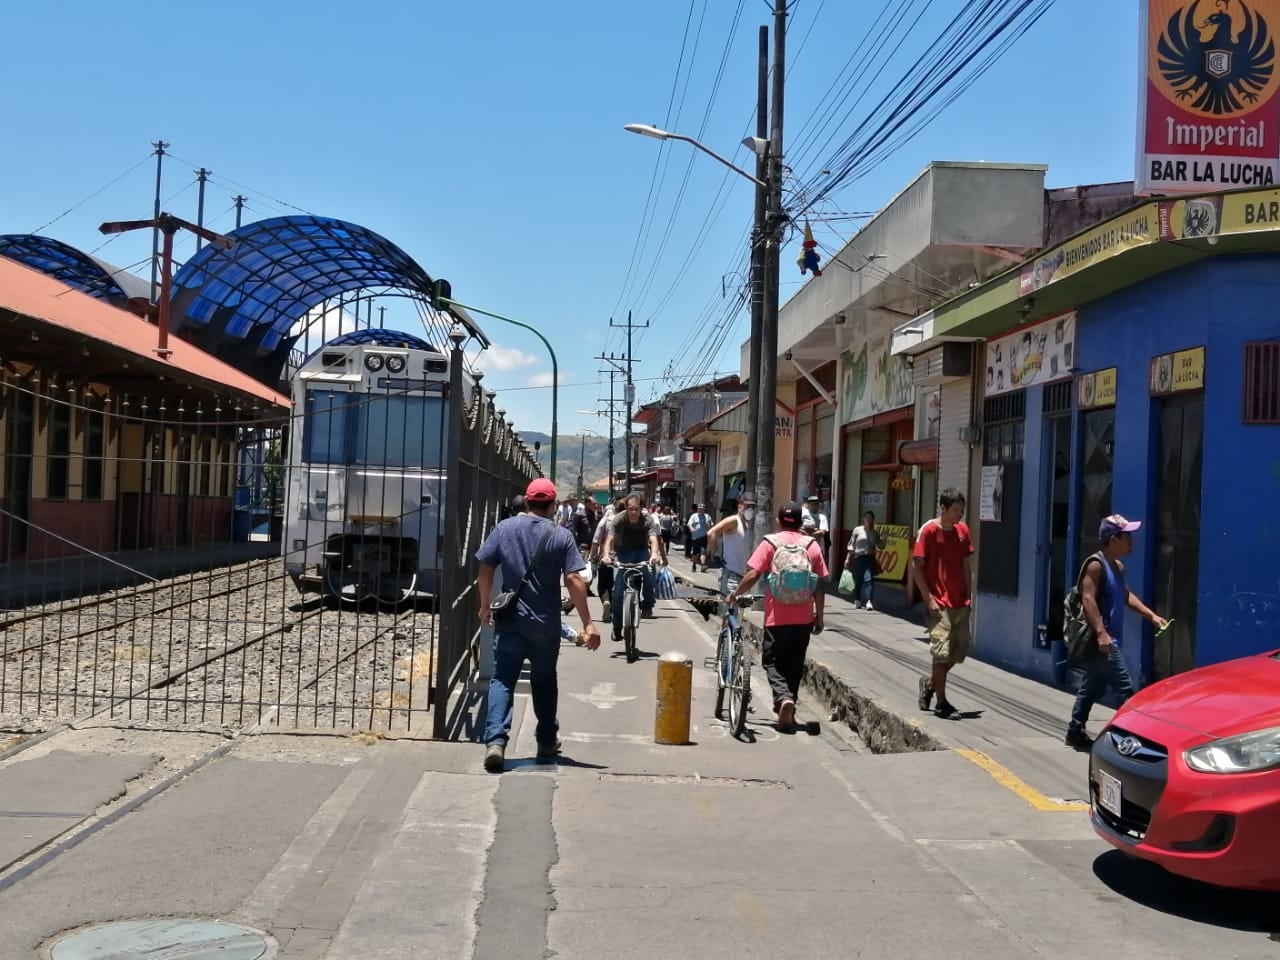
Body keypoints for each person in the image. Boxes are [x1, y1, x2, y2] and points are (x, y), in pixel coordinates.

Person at [475, 478, 600, 773]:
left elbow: (485, 569)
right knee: (544, 681)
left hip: (511, 621)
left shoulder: (505, 528)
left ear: (528, 502)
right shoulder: (561, 535)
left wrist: (483, 606)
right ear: (553, 505)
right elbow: (574, 579)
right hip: (546, 624)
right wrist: (588, 623)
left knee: (503, 680)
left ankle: (495, 742)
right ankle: (545, 741)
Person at [1066, 515, 1167, 750]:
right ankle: (1130, 740)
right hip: (1104, 640)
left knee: (1093, 686)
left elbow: (1125, 596)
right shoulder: (1096, 565)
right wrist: (1101, 633)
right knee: (1126, 690)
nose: (1131, 541)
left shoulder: (1117, 567)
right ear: (1113, 540)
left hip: (1109, 639)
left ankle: (1075, 731)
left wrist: (1151, 615)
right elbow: (1088, 598)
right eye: (1126, 536)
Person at [729, 502, 827, 729]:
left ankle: (783, 698)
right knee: (795, 663)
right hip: (804, 617)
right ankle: (788, 709)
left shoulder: (771, 542)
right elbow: (819, 585)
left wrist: (736, 593)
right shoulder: (811, 545)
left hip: (777, 616)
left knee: (773, 662)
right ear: (802, 522)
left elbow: (753, 573)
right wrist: (819, 616)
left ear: (778, 520)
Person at [910, 489, 974, 719]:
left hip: (960, 602)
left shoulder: (962, 531)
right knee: (941, 653)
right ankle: (942, 702)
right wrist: (928, 598)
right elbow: (916, 568)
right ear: (943, 508)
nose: (960, 514)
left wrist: (969, 596)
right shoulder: (928, 531)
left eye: (962, 510)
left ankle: (928, 685)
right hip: (938, 603)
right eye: (956, 510)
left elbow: (966, 566)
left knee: (959, 652)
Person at [603, 494, 663, 642]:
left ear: (641, 508)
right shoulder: (619, 519)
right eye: (630, 509)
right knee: (617, 592)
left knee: (649, 573)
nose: (633, 512)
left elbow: (653, 539)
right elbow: (609, 539)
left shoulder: (647, 519)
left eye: (636, 509)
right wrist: (606, 555)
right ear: (626, 508)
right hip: (622, 553)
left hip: (642, 552)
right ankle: (617, 626)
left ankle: (647, 605)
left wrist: (654, 554)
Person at [706, 494, 755, 597]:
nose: (750, 510)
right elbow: (711, 533)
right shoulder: (733, 521)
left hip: (742, 575)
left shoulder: (747, 525)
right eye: (747, 506)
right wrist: (714, 553)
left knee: (737, 611)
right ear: (739, 506)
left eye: (752, 507)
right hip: (731, 574)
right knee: (730, 611)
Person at [843, 511, 880, 611]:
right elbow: (851, 545)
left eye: (870, 518)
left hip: (870, 558)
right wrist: (847, 559)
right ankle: (857, 599)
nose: (868, 519)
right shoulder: (857, 530)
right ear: (863, 519)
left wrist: (883, 540)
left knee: (869, 579)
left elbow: (880, 546)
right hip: (859, 557)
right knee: (859, 579)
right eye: (866, 517)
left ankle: (868, 601)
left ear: (873, 520)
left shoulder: (875, 533)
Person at [686, 503, 712, 571]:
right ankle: (694, 565)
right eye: (700, 509)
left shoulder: (707, 516)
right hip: (696, 537)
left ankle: (703, 565)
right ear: (697, 509)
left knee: (703, 551)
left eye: (702, 509)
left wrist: (708, 524)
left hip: (704, 537)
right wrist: (691, 528)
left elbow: (711, 525)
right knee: (695, 552)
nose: (701, 510)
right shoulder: (694, 516)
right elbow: (689, 524)